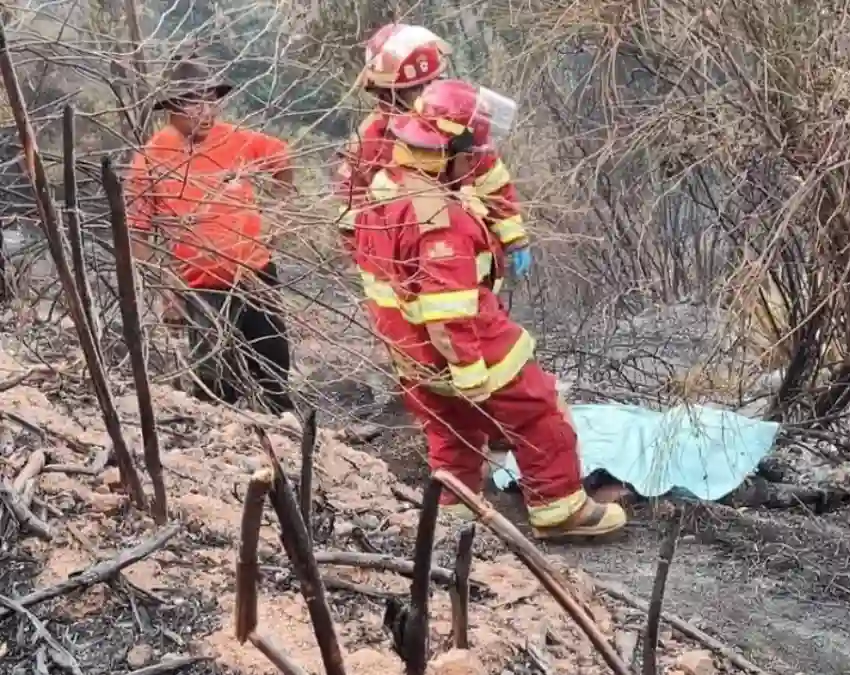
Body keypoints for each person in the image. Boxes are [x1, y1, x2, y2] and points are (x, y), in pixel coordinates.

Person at [352, 79, 625, 539]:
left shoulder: (386, 187)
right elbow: (448, 315)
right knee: (539, 411)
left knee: (450, 425)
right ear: (447, 151)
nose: (478, 162)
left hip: (408, 349)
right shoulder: (441, 221)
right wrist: (471, 376)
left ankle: (454, 505)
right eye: (470, 153)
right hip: (463, 344)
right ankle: (560, 512)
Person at [126, 55, 296, 415]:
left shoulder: (236, 140)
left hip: (255, 276)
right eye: (194, 101)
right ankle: (229, 452)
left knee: (274, 367)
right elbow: (139, 233)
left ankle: (284, 438)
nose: (206, 110)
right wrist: (165, 289)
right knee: (216, 383)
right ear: (172, 107)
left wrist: (280, 217)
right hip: (200, 288)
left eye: (211, 99)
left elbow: (283, 161)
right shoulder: (150, 160)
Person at [333, 24, 532, 279]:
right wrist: (389, 272)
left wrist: (513, 237)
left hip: (467, 261)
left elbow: (490, 179)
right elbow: (352, 219)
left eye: (432, 82)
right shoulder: (370, 142)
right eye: (419, 87)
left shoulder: (452, 117)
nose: (428, 93)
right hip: (409, 273)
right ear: (390, 92)